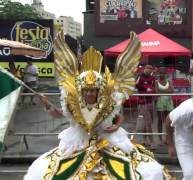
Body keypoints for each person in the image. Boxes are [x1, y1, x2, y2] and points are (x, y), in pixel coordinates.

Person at [24, 32, 173, 180]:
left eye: (92, 90)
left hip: (108, 139)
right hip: (78, 141)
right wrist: (47, 104)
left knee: (126, 169)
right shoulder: (72, 101)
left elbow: (117, 116)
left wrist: (116, 126)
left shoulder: (108, 99)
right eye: (86, 90)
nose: (89, 94)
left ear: (98, 90)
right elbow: (58, 114)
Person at [136, 64, 156, 148]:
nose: (149, 70)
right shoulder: (140, 76)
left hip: (150, 102)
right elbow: (136, 85)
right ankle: (152, 142)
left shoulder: (152, 78)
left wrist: (153, 93)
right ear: (145, 69)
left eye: (151, 69)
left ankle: (144, 140)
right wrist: (145, 89)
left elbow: (155, 88)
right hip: (143, 102)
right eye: (148, 68)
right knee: (148, 123)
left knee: (147, 122)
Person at [155, 67, 174, 145]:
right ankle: (160, 138)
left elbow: (172, 90)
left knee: (169, 121)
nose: (162, 74)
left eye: (163, 73)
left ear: (166, 74)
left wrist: (161, 91)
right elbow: (156, 92)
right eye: (160, 73)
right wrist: (167, 91)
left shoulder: (169, 81)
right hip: (160, 103)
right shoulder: (156, 82)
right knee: (160, 121)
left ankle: (167, 138)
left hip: (169, 103)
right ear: (158, 73)